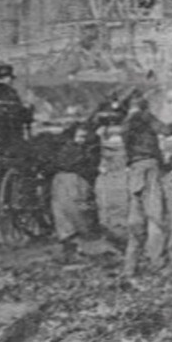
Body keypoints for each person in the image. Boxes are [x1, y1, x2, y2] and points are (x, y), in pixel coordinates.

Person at [119, 90, 172, 281]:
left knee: (136, 221)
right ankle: (159, 264)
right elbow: (167, 130)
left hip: (134, 171)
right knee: (156, 217)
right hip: (148, 169)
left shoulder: (126, 124)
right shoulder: (143, 117)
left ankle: (130, 268)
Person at [50, 107, 99, 262]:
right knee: (76, 214)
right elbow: (80, 166)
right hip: (71, 183)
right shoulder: (74, 150)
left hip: (61, 183)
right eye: (80, 137)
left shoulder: (66, 147)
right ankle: (74, 250)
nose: (82, 140)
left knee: (64, 217)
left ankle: (69, 250)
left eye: (84, 137)